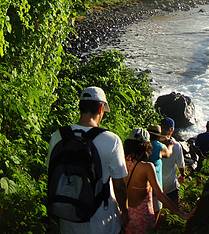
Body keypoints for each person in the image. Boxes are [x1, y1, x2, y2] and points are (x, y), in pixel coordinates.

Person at [47, 86, 128, 234]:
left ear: (80, 107)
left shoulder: (58, 136)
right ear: (101, 108)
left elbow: (51, 173)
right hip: (102, 222)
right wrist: (125, 212)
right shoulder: (112, 140)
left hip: (67, 217)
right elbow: (120, 186)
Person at [124, 128, 189, 234]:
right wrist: (181, 213)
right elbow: (160, 195)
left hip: (124, 214)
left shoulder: (121, 162)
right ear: (146, 146)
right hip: (142, 218)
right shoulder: (147, 167)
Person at [147, 124, 172, 218]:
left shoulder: (143, 144)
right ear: (158, 136)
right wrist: (170, 145)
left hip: (142, 185)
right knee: (156, 212)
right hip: (155, 186)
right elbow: (168, 154)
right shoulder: (159, 147)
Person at [160, 117, 185, 205]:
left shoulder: (152, 143)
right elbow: (181, 165)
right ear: (171, 130)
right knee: (173, 211)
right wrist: (182, 175)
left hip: (154, 186)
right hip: (170, 187)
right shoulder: (177, 146)